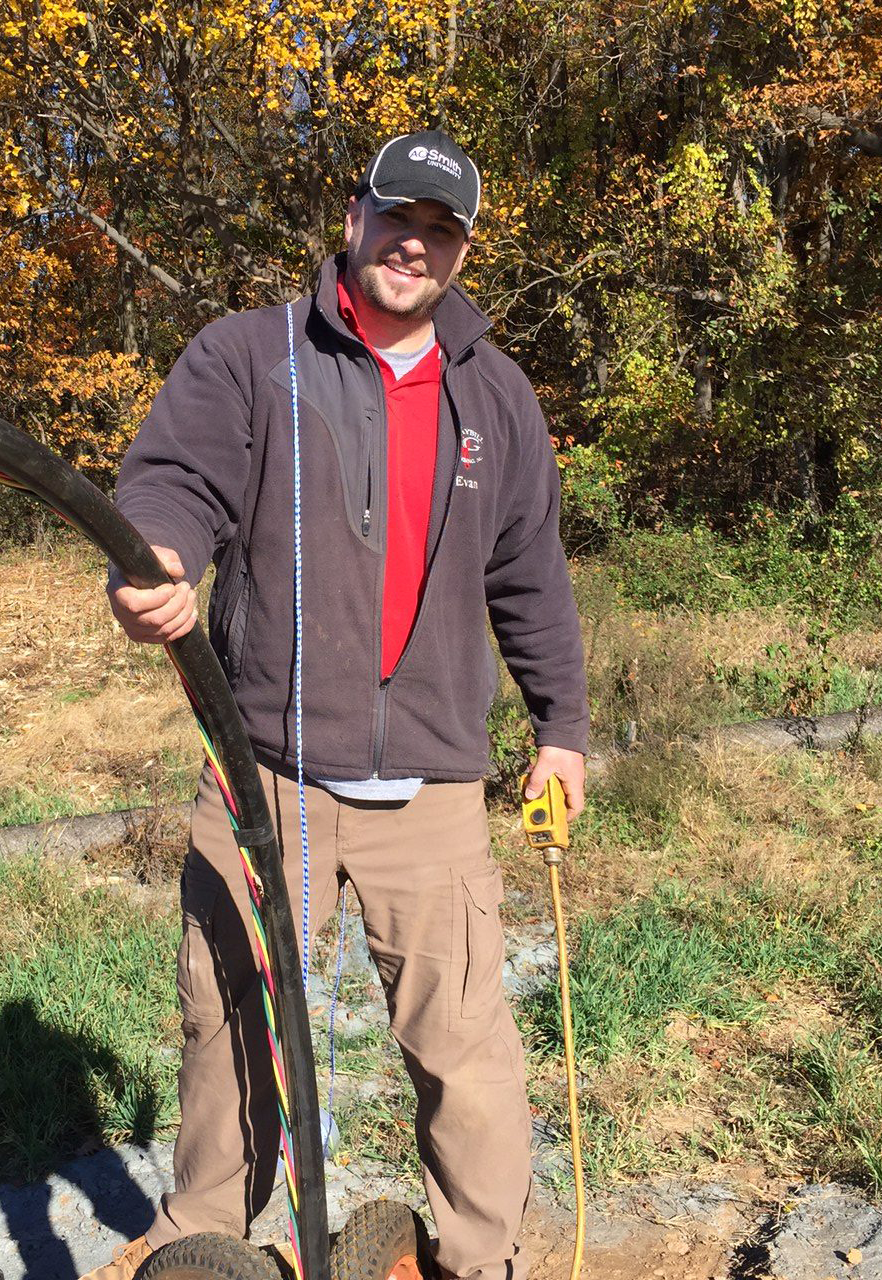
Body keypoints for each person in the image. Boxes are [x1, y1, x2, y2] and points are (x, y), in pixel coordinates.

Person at [83, 129, 588, 1280]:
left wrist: (559, 729)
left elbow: (531, 578)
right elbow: (175, 482)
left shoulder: (494, 396)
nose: (414, 241)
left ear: (460, 250)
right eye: (396, 214)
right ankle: (206, 1241)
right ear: (352, 216)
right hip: (265, 774)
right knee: (230, 1027)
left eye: (441, 227)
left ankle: (473, 1258)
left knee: (466, 1047)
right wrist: (155, 556)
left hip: (437, 788)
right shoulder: (249, 357)